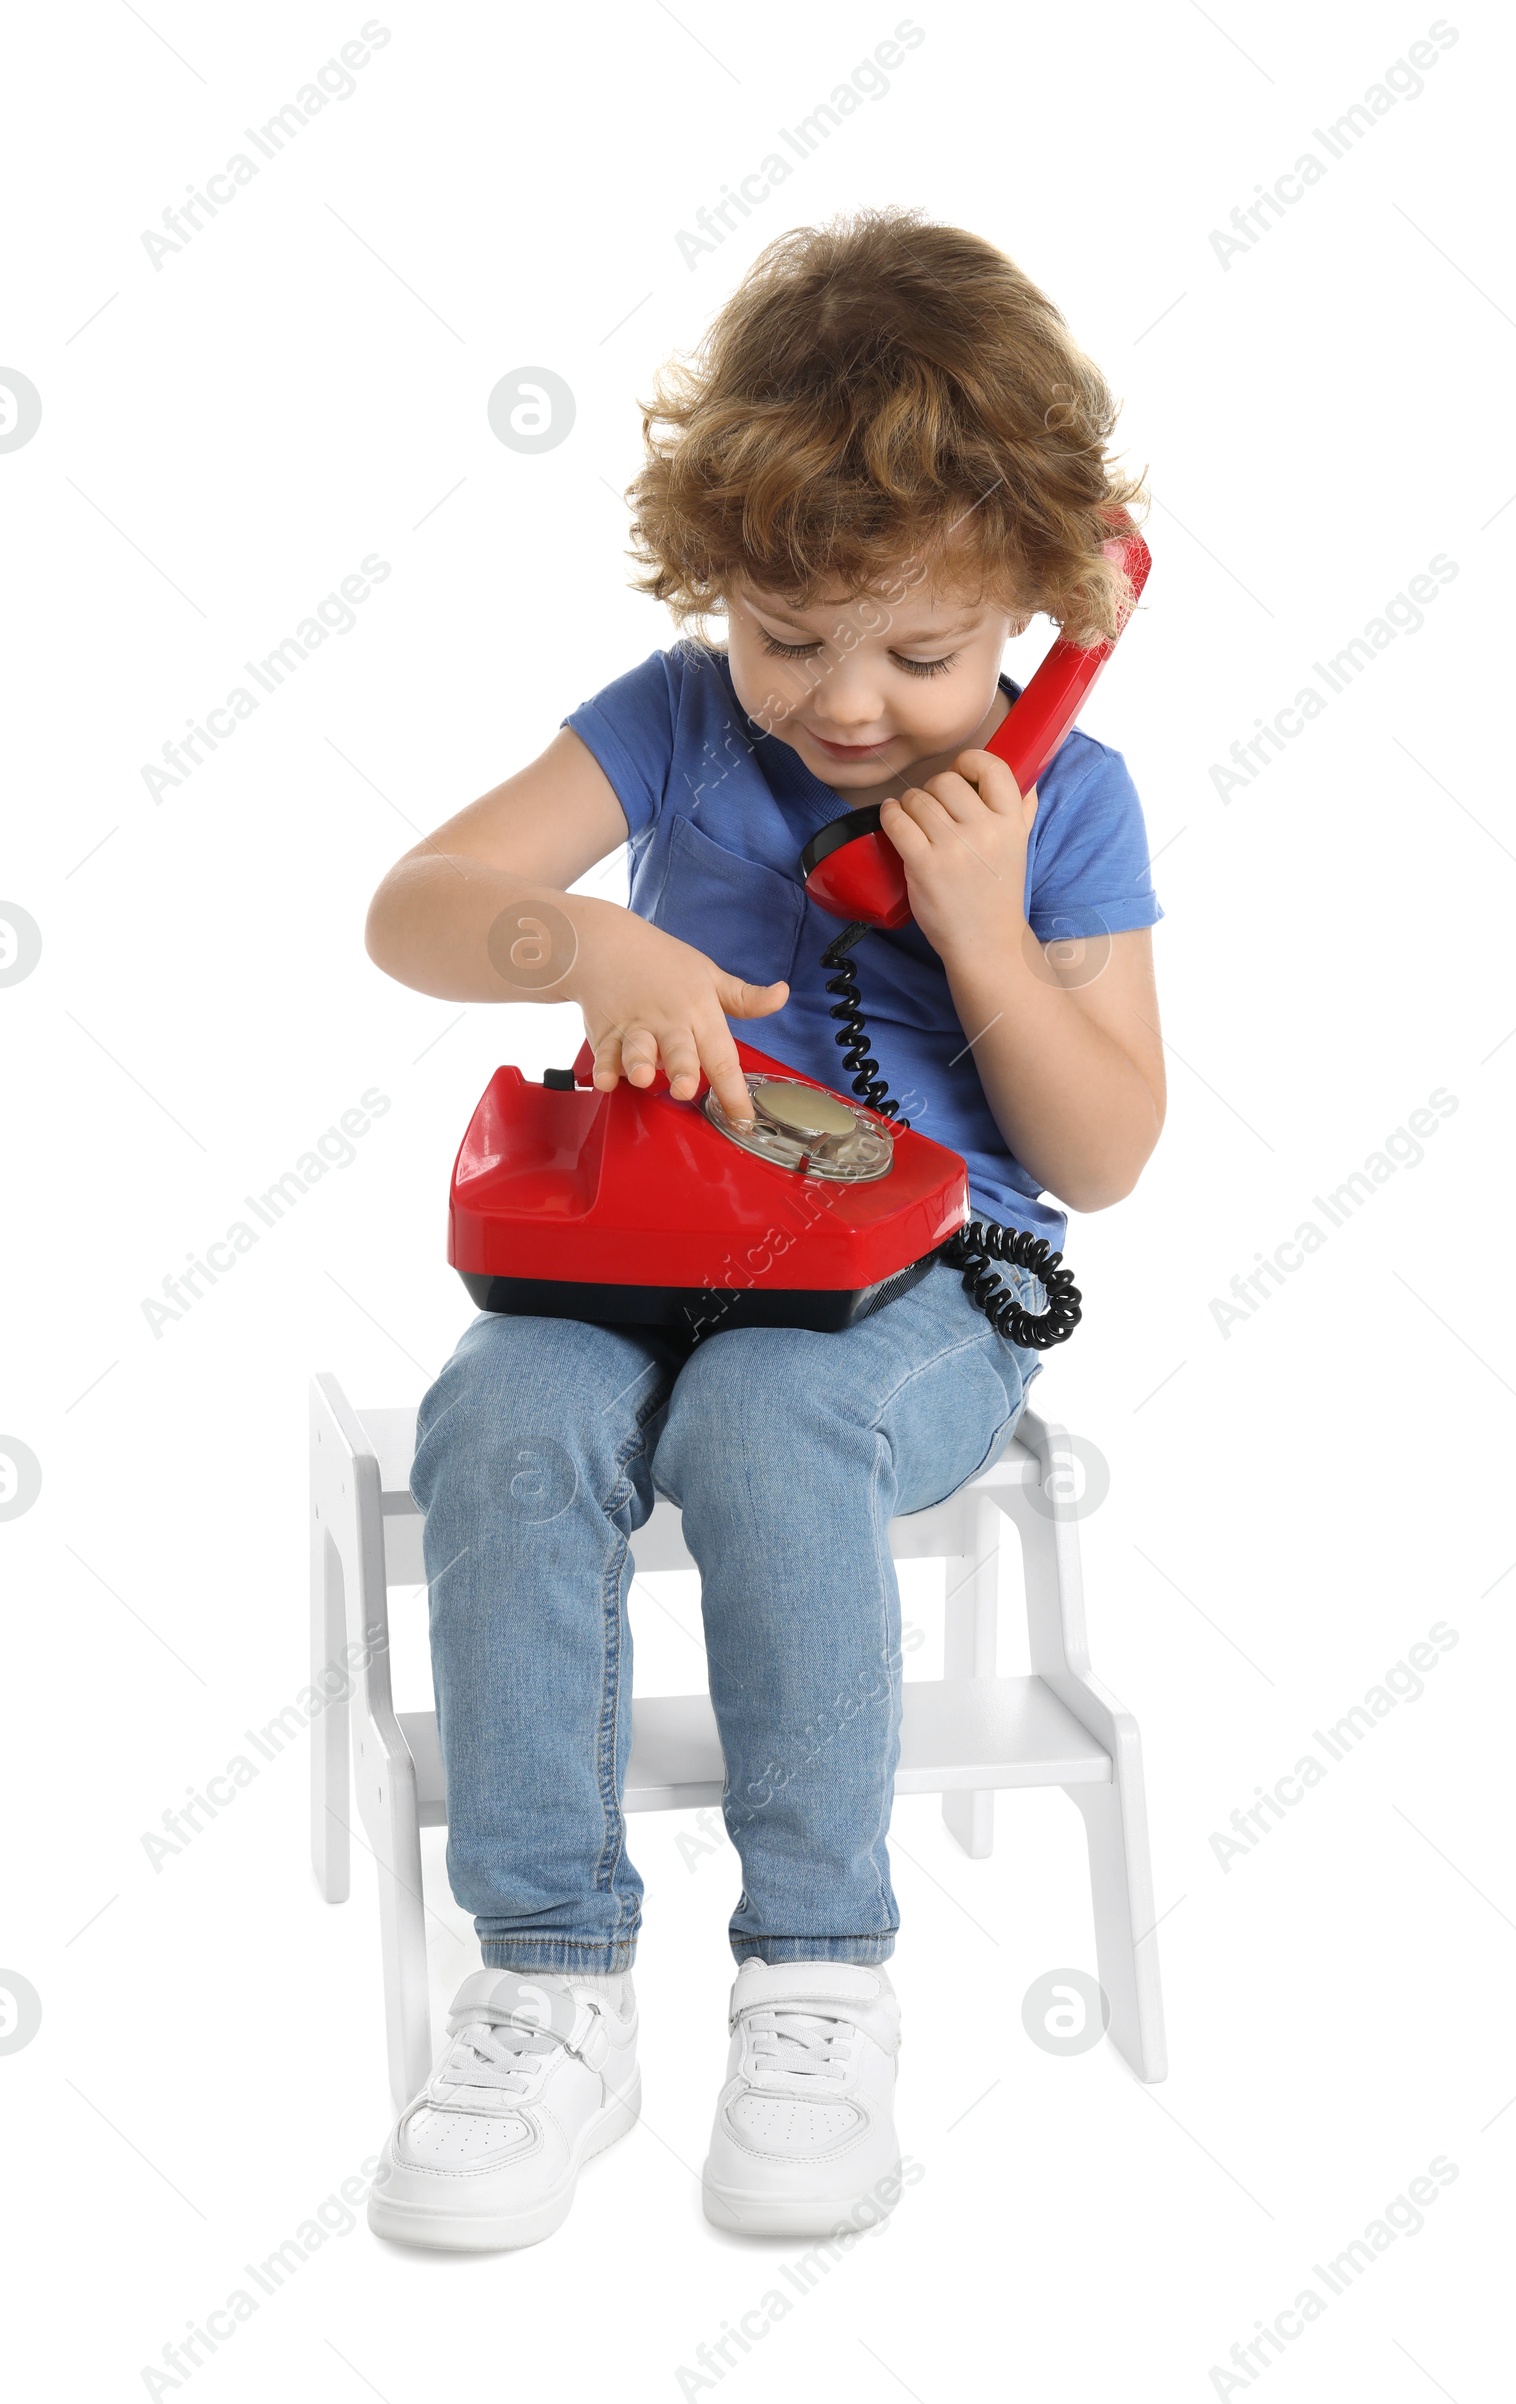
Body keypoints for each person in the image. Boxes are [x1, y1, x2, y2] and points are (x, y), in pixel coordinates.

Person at [360, 208, 1166, 2252]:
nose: (845, 703)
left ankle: (818, 1973)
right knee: (500, 1410)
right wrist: (586, 930)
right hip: (637, 1250)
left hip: (913, 1294)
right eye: (787, 634)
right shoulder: (670, 720)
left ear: (1044, 608)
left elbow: (1105, 1150)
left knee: (760, 1425)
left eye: (920, 653)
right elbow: (414, 906)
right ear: (715, 585)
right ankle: (548, 1988)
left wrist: (977, 924)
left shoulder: (1063, 802)